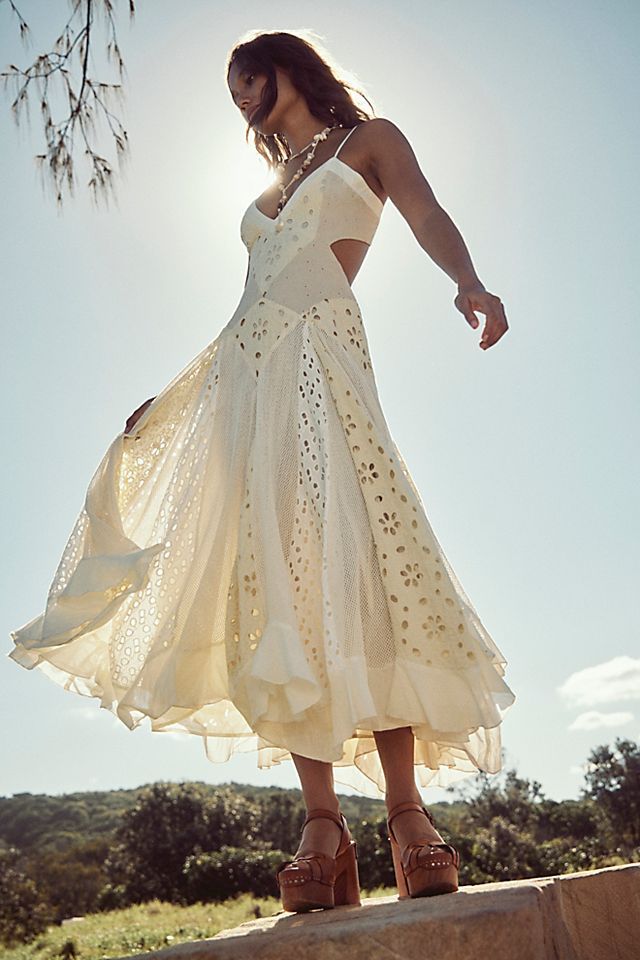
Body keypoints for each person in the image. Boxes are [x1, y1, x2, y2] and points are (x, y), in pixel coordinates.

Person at [9, 29, 515, 911]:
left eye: (250, 72)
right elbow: (249, 304)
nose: (239, 89)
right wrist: (172, 398)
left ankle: (406, 815)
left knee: (372, 570)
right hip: (248, 381)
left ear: (292, 65)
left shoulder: (371, 141)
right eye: (230, 84)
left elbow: (426, 213)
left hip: (327, 360)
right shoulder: (265, 188)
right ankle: (323, 822)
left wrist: (467, 280)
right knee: (277, 584)